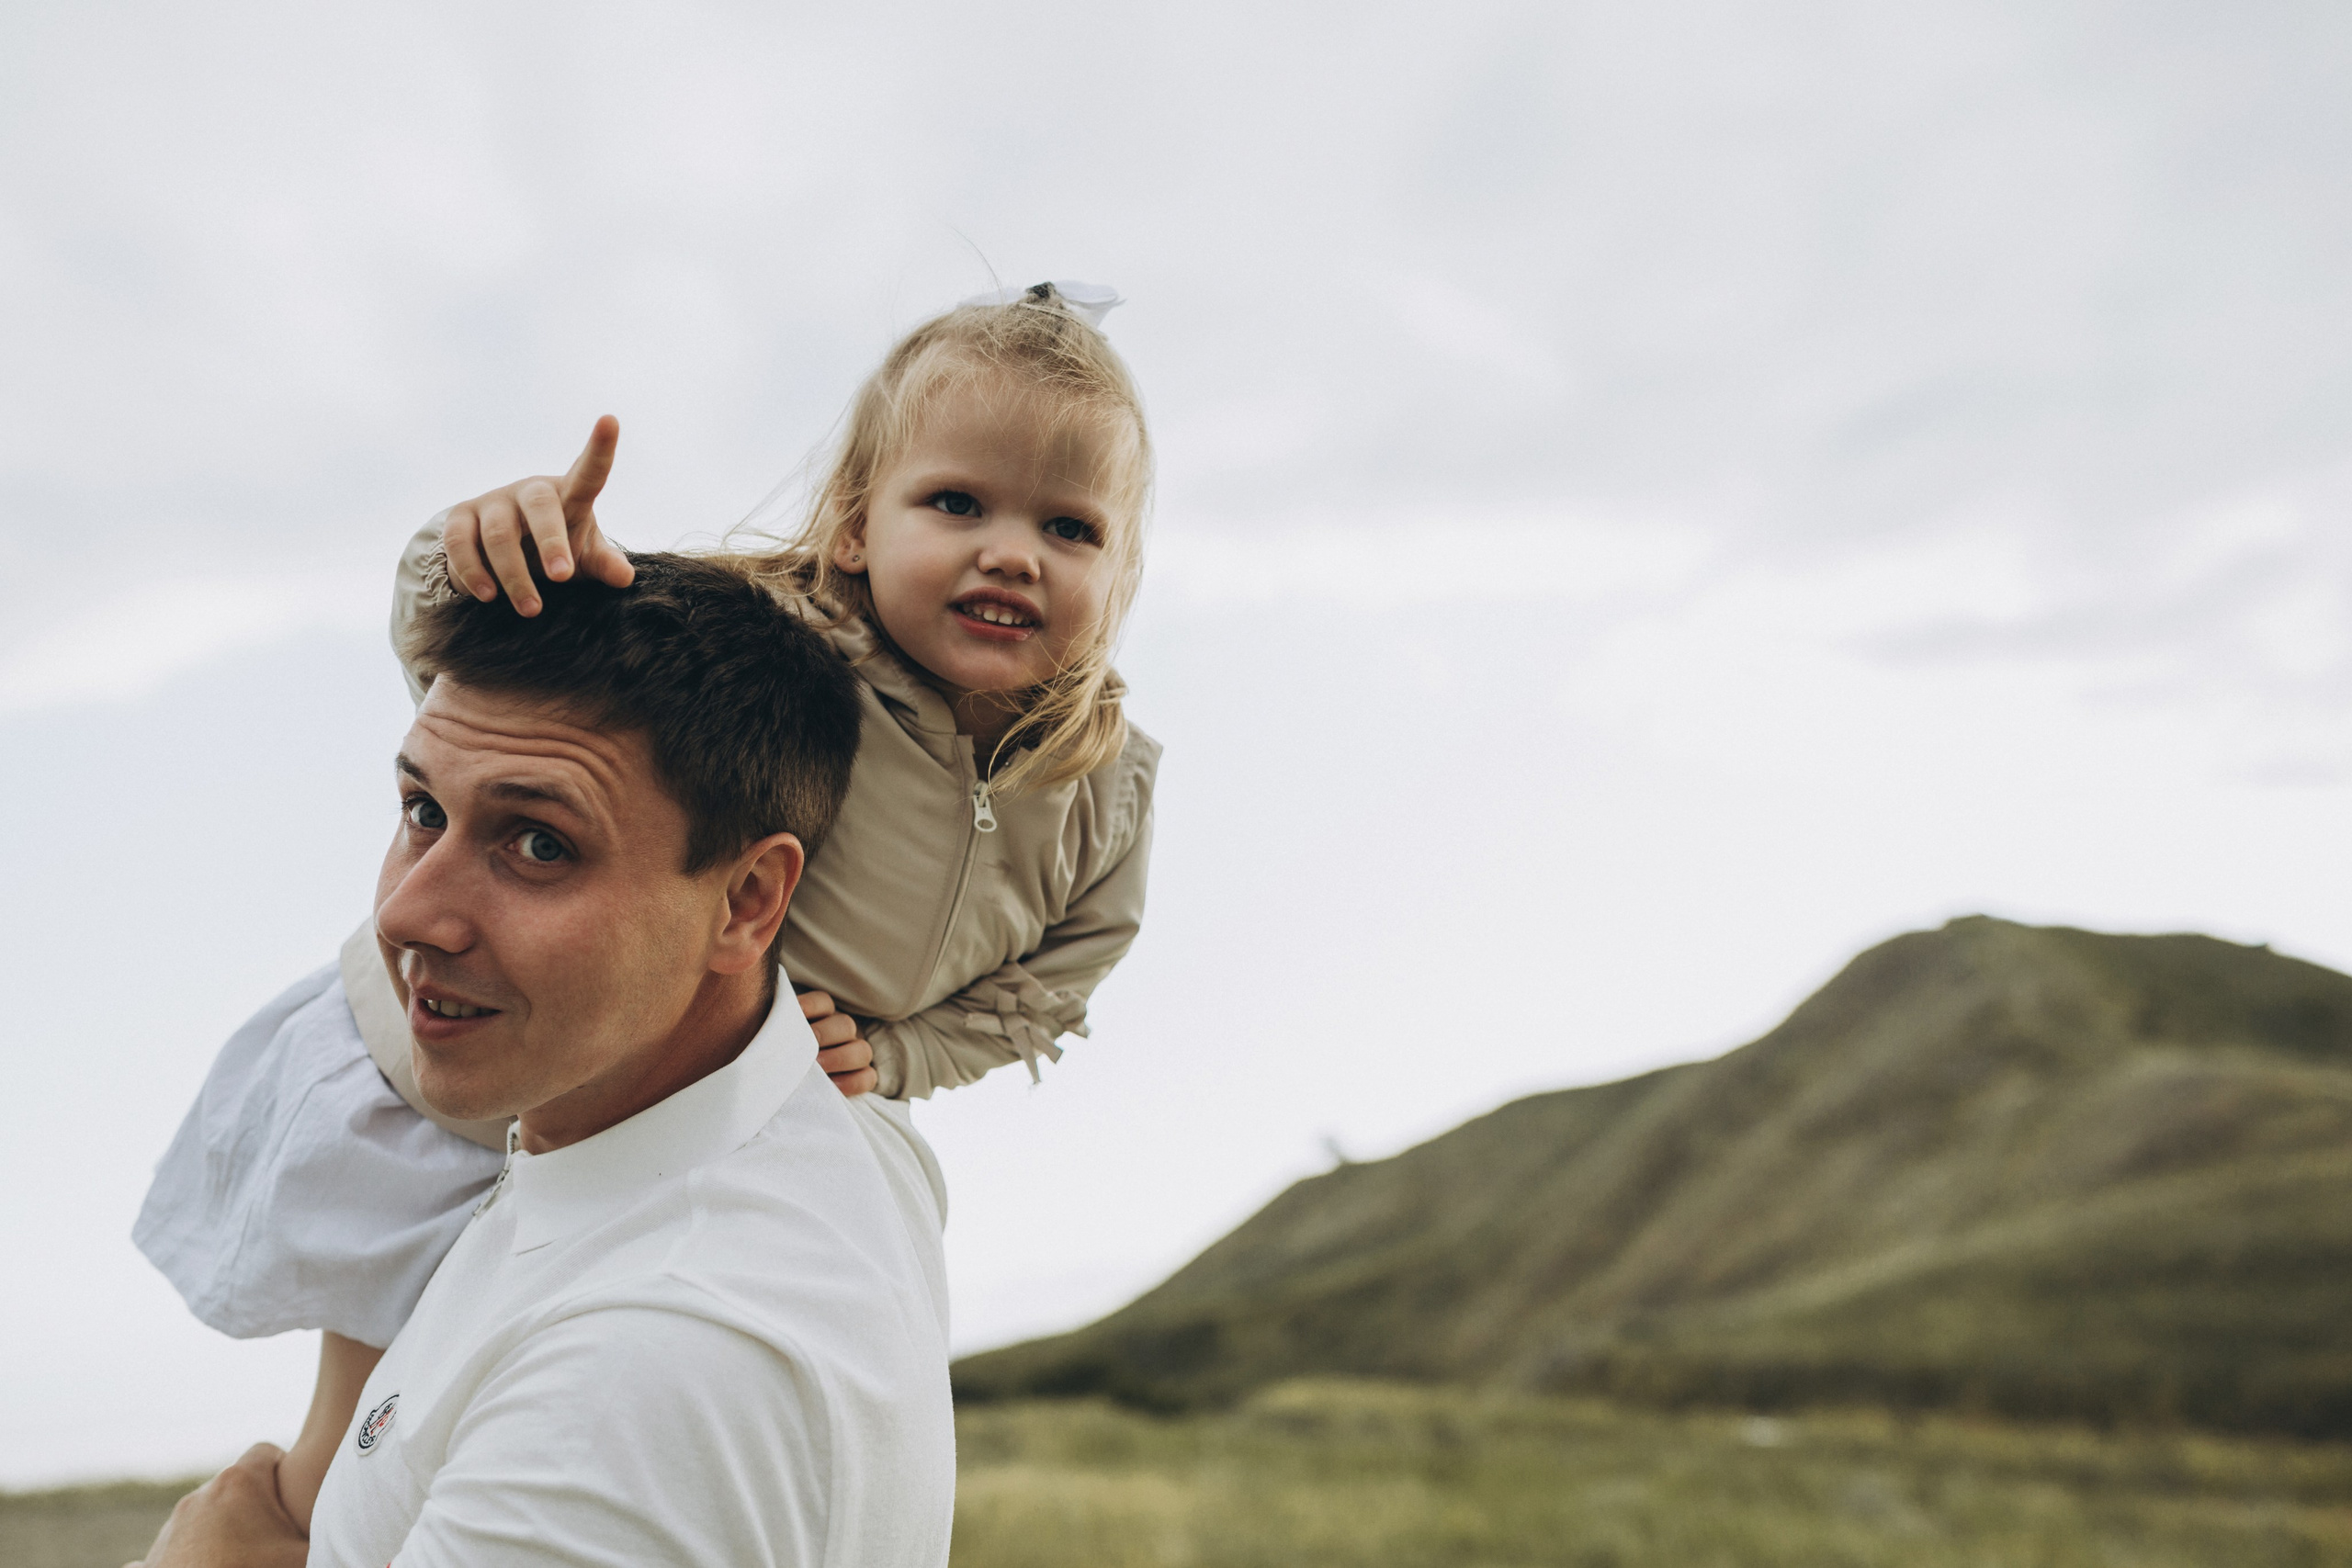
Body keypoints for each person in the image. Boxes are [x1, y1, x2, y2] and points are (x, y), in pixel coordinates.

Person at [133, 281, 1162, 1526]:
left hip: (663, 1088)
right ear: (854, 525)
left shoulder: (1101, 790)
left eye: (1071, 527)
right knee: (353, 1465)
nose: (1011, 551)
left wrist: (900, 1056)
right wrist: (480, 551)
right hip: (458, 1069)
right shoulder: (777, 652)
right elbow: (506, 695)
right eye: (956, 503)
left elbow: (1054, 981)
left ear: (1122, 569)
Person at [135, 554, 953, 1566]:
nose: (406, 914)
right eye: (423, 811)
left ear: (747, 901)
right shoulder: (835, 1130)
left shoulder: (645, 1368)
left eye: (539, 845)